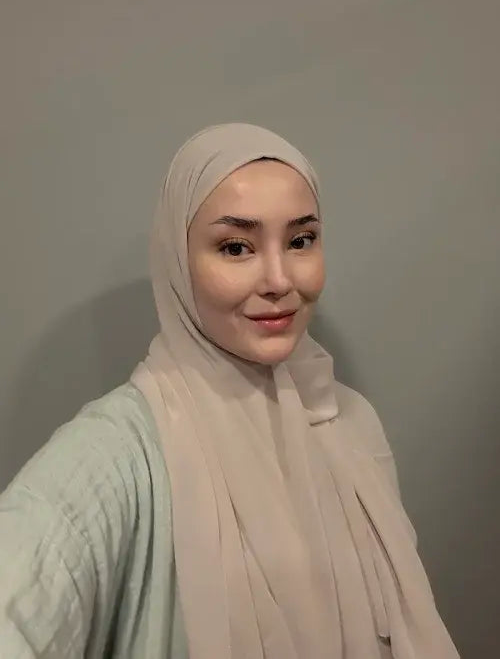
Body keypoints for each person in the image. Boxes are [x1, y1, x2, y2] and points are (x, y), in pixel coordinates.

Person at [0, 123, 459, 658]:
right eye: (236, 247)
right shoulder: (121, 449)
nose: (279, 280)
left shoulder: (349, 422)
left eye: (301, 241)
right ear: (179, 260)